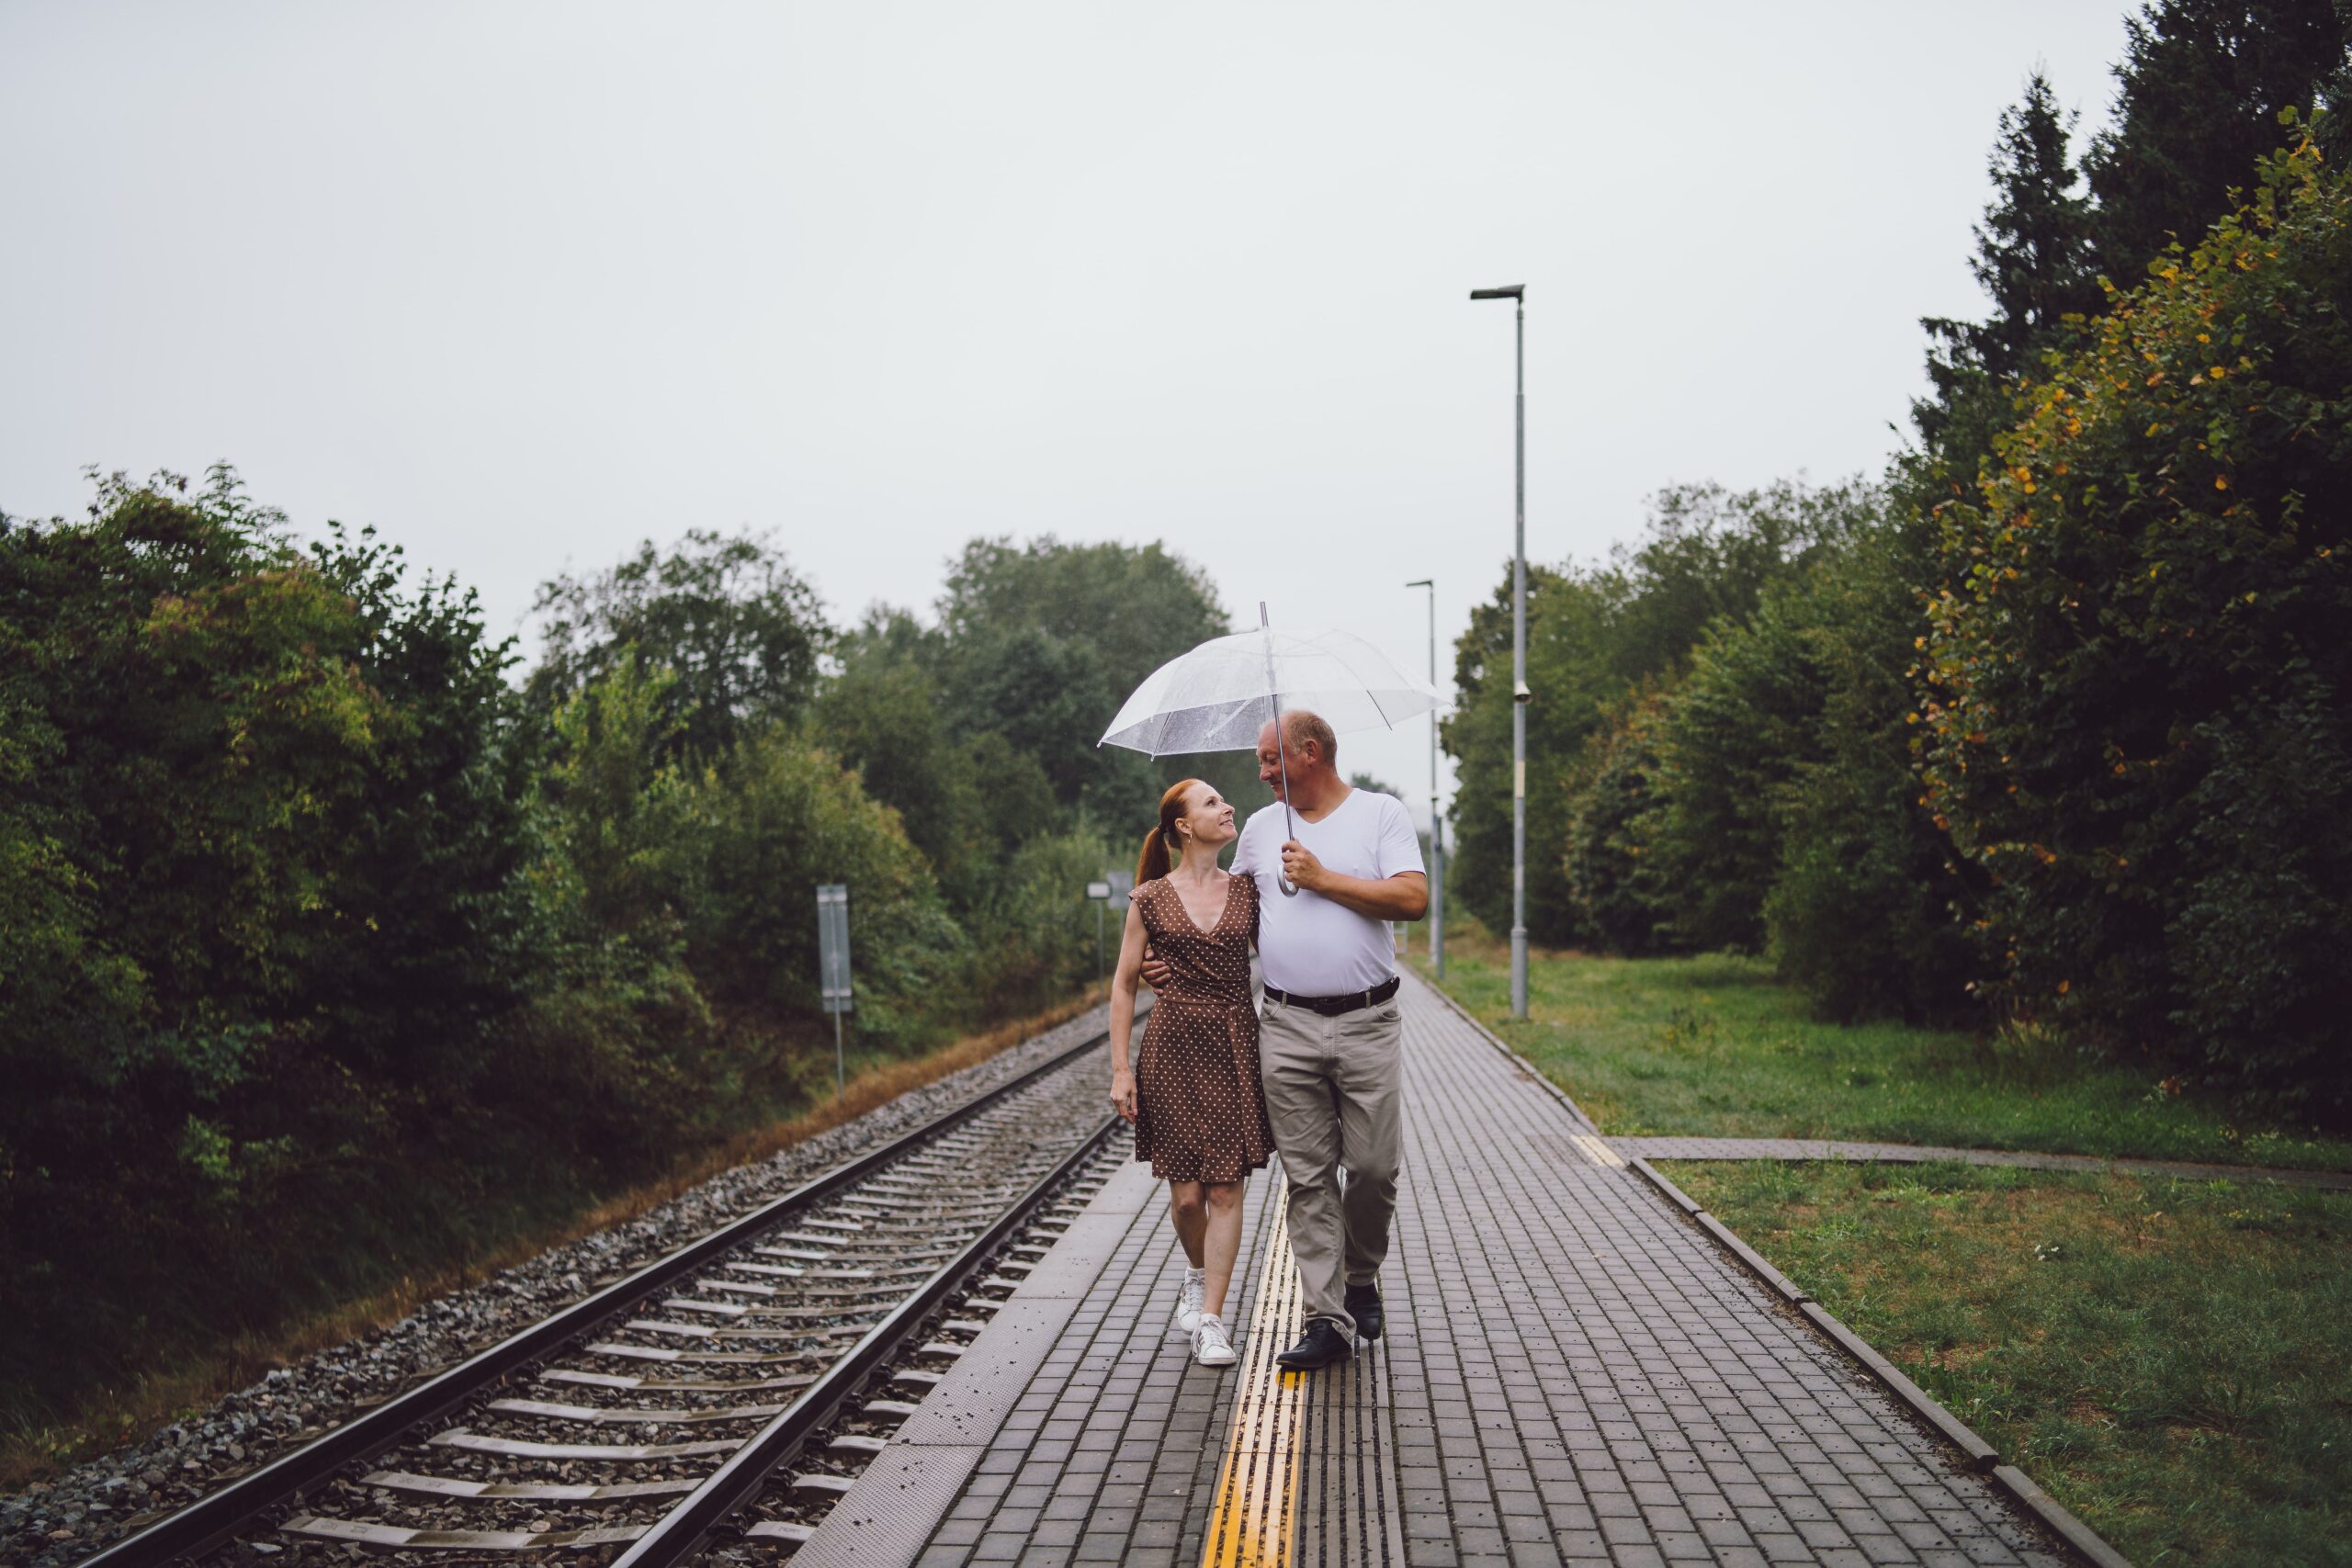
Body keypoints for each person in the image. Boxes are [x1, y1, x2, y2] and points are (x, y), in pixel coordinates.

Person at [1227, 711, 1426, 1371]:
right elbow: (1234, 915)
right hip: (1284, 1024)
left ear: (1308, 752)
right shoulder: (1259, 829)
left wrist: (1321, 879)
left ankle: (1361, 1273)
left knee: (1372, 1169)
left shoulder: (1380, 815)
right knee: (1308, 1178)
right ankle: (1327, 1318)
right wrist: (1166, 949)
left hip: (1368, 1021)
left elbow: (1411, 898)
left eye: (1268, 759)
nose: (1260, 774)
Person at [1108, 778, 1275, 1370]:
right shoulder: (1149, 899)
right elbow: (1124, 985)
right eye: (1211, 803)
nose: (1227, 807)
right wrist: (1121, 1070)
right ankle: (1196, 1274)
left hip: (1234, 1044)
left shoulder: (1249, 891)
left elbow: (1281, 955)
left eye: (1223, 800)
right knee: (1187, 1199)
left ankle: (1211, 1319)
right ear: (1184, 826)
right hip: (1173, 1049)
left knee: (1226, 1189)